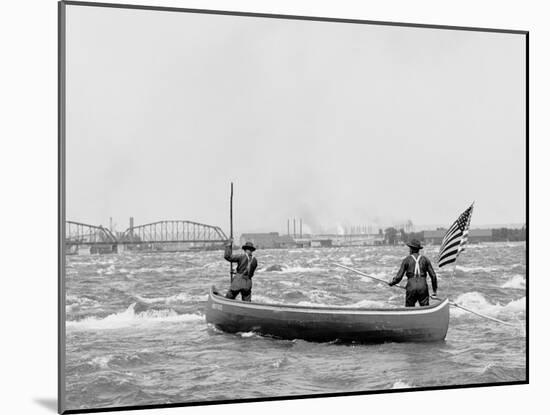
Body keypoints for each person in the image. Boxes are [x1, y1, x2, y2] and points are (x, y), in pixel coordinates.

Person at [388, 239, 438, 307]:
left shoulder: (406, 260)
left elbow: (399, 277)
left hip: (411, 287)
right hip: (423, 287)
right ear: (418, 249)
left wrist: (392, 282)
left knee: (409, 309)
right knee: (425, 308)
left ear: (411, 249)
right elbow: (433, 276)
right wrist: (434, 292)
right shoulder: (425, 259)